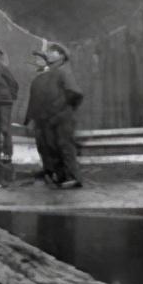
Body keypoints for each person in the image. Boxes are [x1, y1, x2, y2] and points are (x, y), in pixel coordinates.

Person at [44, 43, 85, 188]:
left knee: (65, 146)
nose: (49, 54)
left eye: (53, 52)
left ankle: (74, 177)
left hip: (63, 116)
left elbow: (76, 93)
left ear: (61, 56)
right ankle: (62, 177)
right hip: (53, 116)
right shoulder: (53, 71)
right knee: (55, 146)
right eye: (49, 51)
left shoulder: (63, 71)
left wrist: (64, 108)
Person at [24, 51, 63, 185]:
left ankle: (55, 172)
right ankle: (49, 170)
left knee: (49, 144)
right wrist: (29, 119)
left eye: (39, 59)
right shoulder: (38, 78)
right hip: (41, 118)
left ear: (46, 62)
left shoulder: (49, 77)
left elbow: (53, 98)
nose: (36, 61)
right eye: (36, 59)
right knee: (43, 145)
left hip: (47, 118)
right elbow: (33, 100)